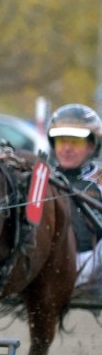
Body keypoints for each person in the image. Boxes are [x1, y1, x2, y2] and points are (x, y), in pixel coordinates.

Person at [46, 103, 102, 300]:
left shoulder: (99, 179)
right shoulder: (42, 177)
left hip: (90, 265)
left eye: (75, 142)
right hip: (47, 266)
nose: (67, 149)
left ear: (92, 146)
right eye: (62, 141)